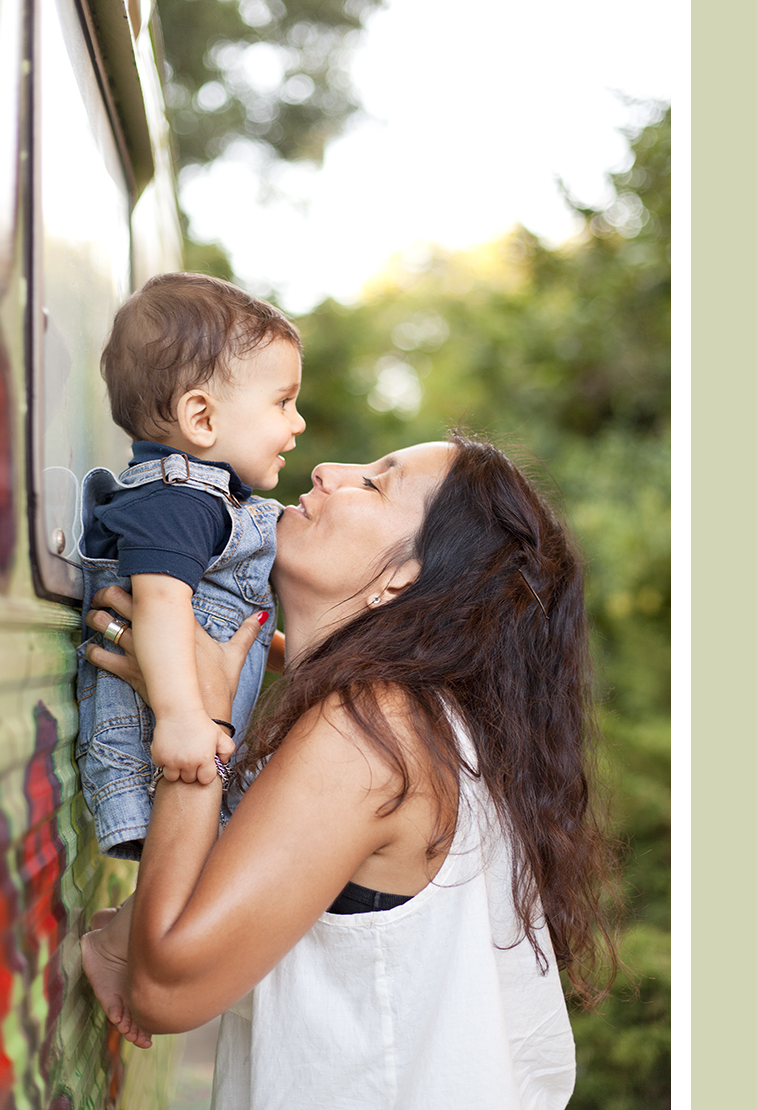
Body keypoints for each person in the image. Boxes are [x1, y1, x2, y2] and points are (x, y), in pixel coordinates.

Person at [82, 434, 616, 1109]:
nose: (330, 471)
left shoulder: (371, 733)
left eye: (376, 483)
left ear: (404, 579)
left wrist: (202, 726)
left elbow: (166, 992)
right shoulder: (425, 723)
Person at [75, 272, 305, 1030]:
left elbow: (208, 612)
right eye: (282, 402)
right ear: (201, 417)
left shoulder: (206, 499)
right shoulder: (181, 500)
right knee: (214, 860)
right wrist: (179, 714)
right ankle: (117, 946)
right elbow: (166, 604)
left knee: (217, 857)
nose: (296, 423)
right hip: (154, 734)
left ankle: (117, 944)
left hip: (180, 728)